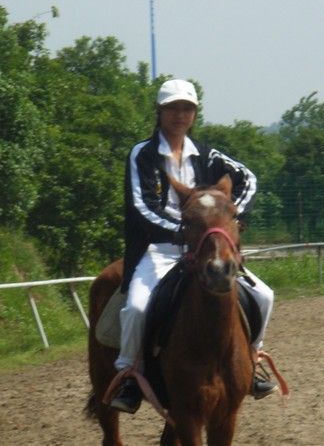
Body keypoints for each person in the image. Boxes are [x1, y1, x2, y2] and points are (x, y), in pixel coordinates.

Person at [111, 79, 278, 414]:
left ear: (194, 114)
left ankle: (253, 359)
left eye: (187, 109)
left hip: (206, 246)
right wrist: (186, 231)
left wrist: (226, 217)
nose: (180, 115)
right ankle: (128, 373)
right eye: (172, 108)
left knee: (264, 294)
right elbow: (142, 208)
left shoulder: (207, 154)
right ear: (159, 112)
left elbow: (248, 178)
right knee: (138, 308)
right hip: (158, 250)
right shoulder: (141, 154)